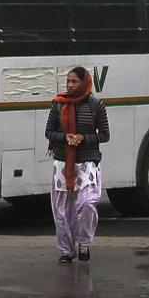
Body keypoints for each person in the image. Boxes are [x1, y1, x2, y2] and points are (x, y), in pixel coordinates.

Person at [44, 66, 110, 263]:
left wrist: (82, 138)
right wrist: (66, 138)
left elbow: (105, 135)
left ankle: (84, 243)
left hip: (87, 163)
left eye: (75, 81)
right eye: (68, 81)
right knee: (61, 210)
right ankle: (67, 250)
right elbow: (49, 132)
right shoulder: (57, 104)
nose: (71, 85)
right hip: (63, 163)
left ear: (85, 83)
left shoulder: (96, 105)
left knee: (86, 204)